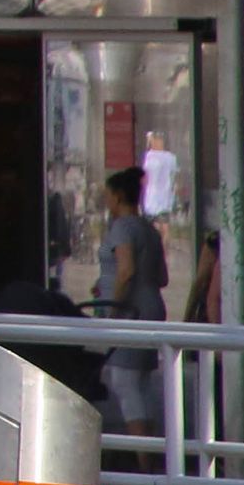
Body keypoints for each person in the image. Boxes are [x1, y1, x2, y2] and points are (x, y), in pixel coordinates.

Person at [98, 167, 169, 448]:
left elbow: (126, 270)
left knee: (124, 382)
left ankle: (142, 456)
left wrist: (114, 308)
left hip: (130, 310)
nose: (106, 201)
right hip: (151, 307)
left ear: (117, 196)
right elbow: (162, 277)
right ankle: (150, 449)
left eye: (107, 195)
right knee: (141, 384)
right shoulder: (148, 229)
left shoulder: (122, 228)